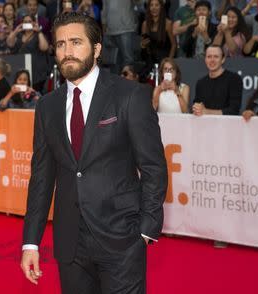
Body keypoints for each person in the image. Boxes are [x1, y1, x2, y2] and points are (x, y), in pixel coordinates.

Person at [21, 12, 168, 294]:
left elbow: (153, 167)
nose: (67, 52)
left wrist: (146, 230)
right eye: (61, 44)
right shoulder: (47, 106)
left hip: (122, 240)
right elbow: (41, 178)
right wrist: (31, 242)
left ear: (97, 48)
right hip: (69, 244)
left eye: (76, 42)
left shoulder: (129, 95)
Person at [192, 45, 243, 116]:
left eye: (216, 56)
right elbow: (196, 106)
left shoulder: (234, 79)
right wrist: (196, 109)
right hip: (204, 126)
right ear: (205, 59)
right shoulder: (200, 83)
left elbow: (234, 110)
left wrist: (206, 111)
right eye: (209, 57)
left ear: (223, 59)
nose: (212, 60)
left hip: (227, 126)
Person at [102, 0, 139, 72]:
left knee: (128, 62)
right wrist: (104, 30)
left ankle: (128, 82)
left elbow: (138, 2)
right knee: (113, 62)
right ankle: (114, 83)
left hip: (127, 29)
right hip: (110, 31)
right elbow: (105, 8)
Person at [141, 0, 176, 65]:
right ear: (148, 8)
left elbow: (174, 45)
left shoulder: (168, 23)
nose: (154, 8)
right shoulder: (145, 24)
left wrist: (169, 61)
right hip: (150, 61)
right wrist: (143, 45)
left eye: (157, 5)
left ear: (161, 7)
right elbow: (144, 48)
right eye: (151, 5)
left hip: (165, 61)